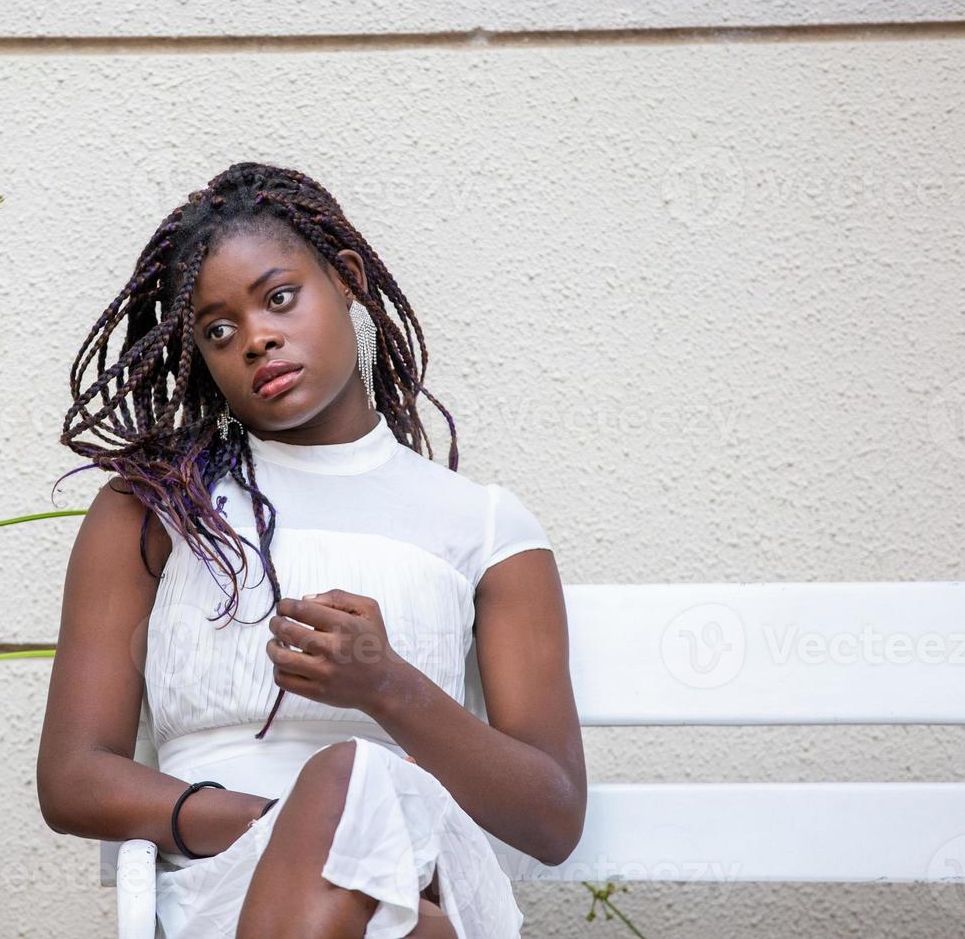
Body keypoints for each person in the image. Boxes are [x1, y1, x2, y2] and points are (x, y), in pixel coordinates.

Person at [38, 161, 586, 938]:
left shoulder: (487, 527)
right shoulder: (155, 510)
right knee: (350, 836)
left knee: (354, 779)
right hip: (220, 892)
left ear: (349, 282)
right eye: (218, 331)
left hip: (418, 878)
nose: (257, 338)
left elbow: (552, 816)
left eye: (279, 297)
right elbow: (72, 777)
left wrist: (387, 687)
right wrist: (291, 831)